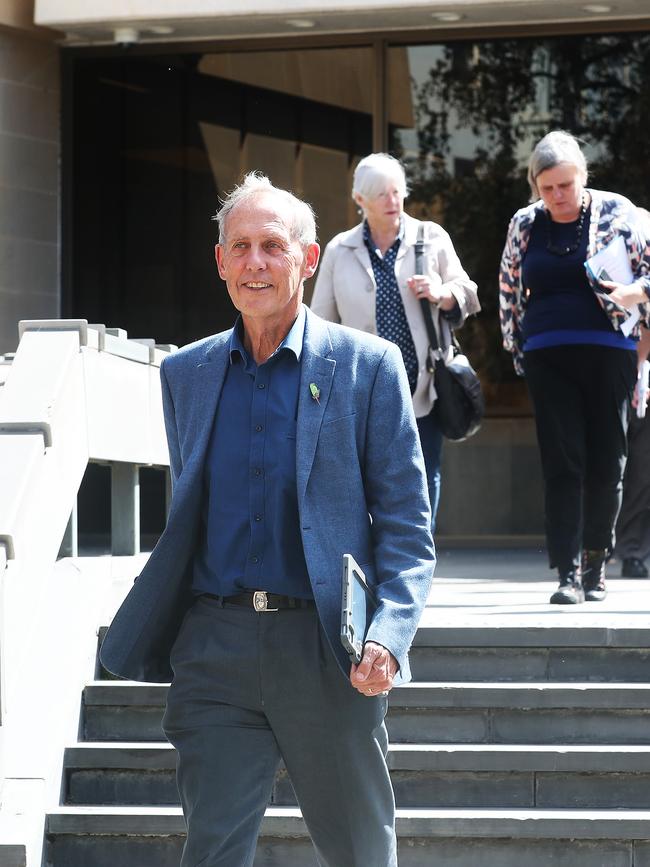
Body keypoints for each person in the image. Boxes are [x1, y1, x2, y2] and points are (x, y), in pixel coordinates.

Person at [100, 172, 435, 867]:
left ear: (308, 260)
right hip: (215, 652)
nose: (256, 263)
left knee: (361, 852)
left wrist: (390, 633)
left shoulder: (369, 367)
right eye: (241, 247)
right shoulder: (185, 374)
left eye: (274, 246)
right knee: (213, 850)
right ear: (220, 261)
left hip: (325, 651)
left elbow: (405, 522)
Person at [499, 129, 650, 605]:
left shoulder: (619, 212)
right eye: (547, 188)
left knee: (608, 460)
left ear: (583, 178)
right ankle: (566, 573)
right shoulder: (526, 223)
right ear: (535, 186)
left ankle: (595, 565)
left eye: (566, 185)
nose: (557, 196)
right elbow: (507, 287)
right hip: (547, 353)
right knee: (562, 463)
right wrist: (516, 347)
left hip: (610, 350)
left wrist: (635, 295)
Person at [310, 152, 479, 530]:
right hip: (363, 387)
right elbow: (320, 323)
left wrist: (441, 293)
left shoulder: (430, 237)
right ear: (360, 201)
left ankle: (416, 562)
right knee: (368, 480)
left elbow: (467, 292)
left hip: (425, 384)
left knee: (422, 474)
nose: (393, 202)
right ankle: (376, 563)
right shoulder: (340, 250)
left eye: (398, 192)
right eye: (382, 194)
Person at [615, 325, 650, 578]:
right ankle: (597, 548)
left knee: (639, 471)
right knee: (628, 468)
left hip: (636, 376)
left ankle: (632, 550)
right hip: (623, 372)